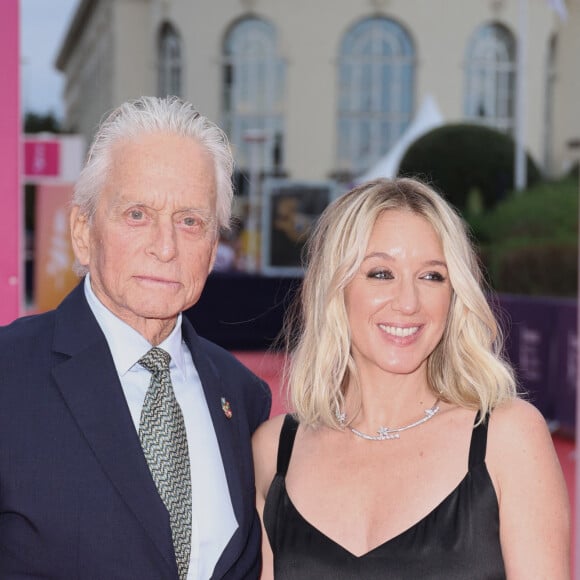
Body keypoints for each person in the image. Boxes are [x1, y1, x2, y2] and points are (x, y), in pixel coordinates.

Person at [0, 96, 271, 579]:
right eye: (137, 215)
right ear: (83, 232)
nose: (165, 247)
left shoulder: (243, 396)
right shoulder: (8, 374)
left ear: (212, 250)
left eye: (190, 221)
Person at [253, 177, 570, 579]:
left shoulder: (507, 439)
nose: (408, 302)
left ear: (455, 294)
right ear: (335, 288)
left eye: (432, 276)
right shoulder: (275, 451)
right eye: (381, 273)